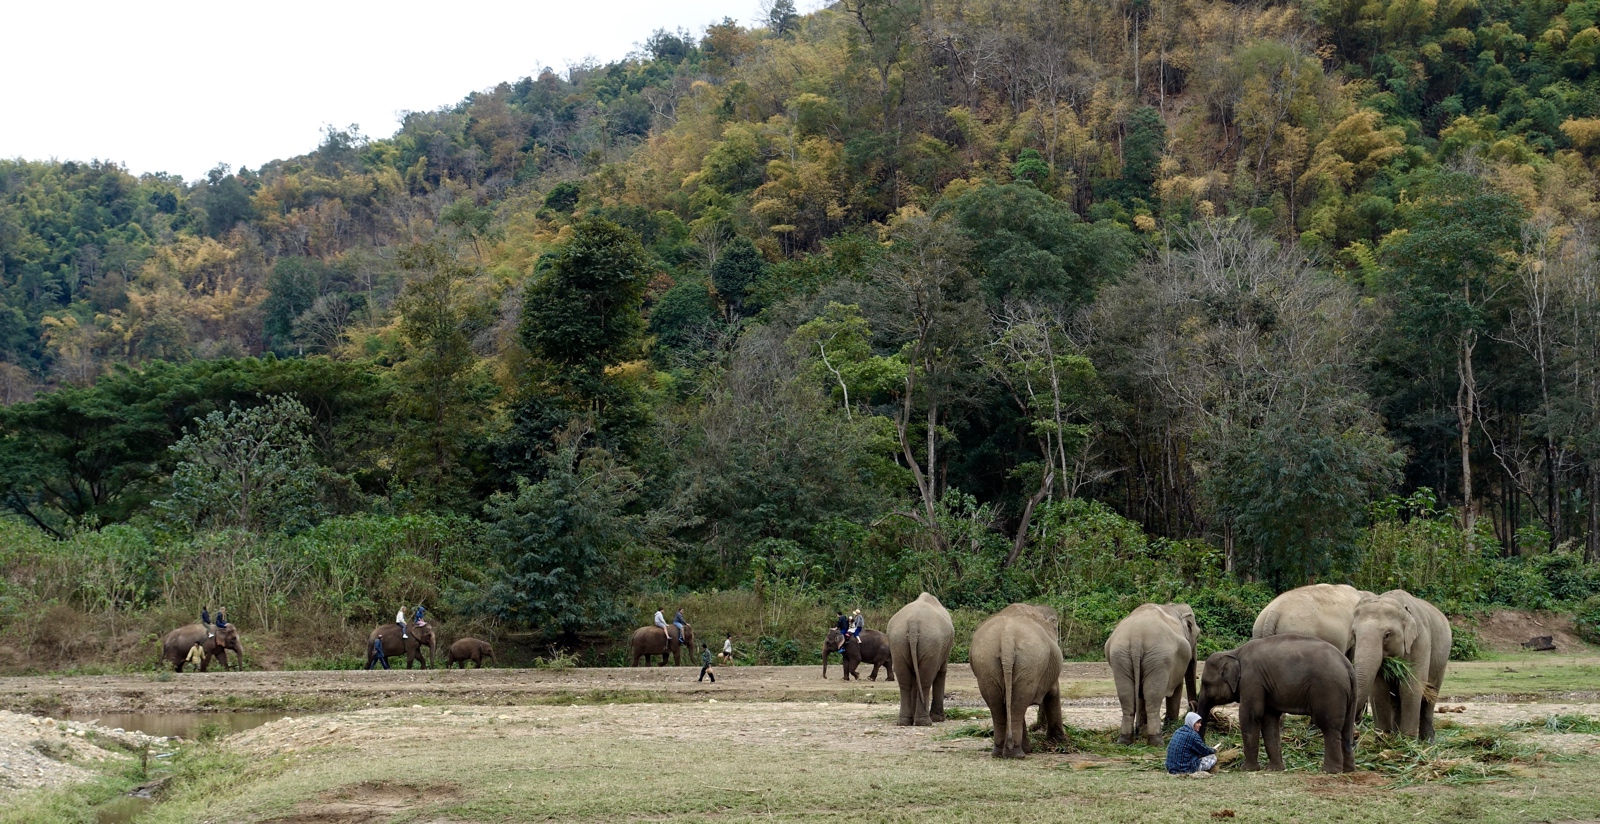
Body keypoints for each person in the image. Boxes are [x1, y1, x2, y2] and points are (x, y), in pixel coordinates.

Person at [1166, 712, 1218, 777]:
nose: (1200, 725)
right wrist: (1214, 750)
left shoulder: (1177, 731)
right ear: (1192, 723)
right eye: (1198, 723)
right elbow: (1205, 751)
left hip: (1171, 768)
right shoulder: (1193, 735)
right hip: (1185, 769)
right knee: (1213, 757)